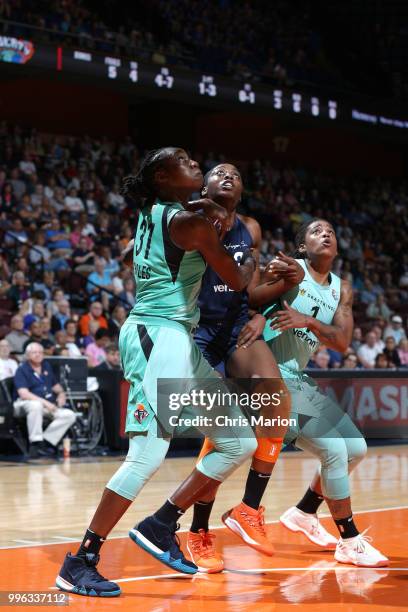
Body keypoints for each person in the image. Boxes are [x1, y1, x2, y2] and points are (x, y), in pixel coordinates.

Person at [56, 147, 258, 597]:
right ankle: (81, 559)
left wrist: (213, 214)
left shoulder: (163, 210)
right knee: (147, 455)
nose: (195, 163)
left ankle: (162, 522)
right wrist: (249, 252)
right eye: (184, 161)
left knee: (239, 440)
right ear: (164, 177)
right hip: (156, 337)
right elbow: (239, 279)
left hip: (178, 339)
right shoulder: (188, 223)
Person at [178, 163, 293, 570]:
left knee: (276, 399)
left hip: (235, 329)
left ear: (242, 190)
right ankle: (197, 531)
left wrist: (284, 289)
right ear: (205, 185)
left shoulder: (251, 228)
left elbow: (251, 288)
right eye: (218, 172)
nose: (228, 176)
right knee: (224, 434)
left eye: (236, 174)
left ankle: (249, 508)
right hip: (194, 329)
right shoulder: (187, 216)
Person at [258, 218, 388, 567]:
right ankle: (349, 539)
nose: (326, 233)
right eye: (316, 231)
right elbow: (250, 296)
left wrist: (309, 322)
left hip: (297, 376)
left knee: (356, 450)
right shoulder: (289, 269)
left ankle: (304, 512)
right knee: (333, 449)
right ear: (302, 247)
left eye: (330, 230)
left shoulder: (342, 288)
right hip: (267, 374)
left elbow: (343, 342)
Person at [13, 342, 76, 458]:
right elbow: (24, 394)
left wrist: (62, 395)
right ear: (28, 355)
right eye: (34, 352)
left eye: (40, 352)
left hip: (45, 406)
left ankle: (46, 442)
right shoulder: (22, 369)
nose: (38, 355)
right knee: (35, 405)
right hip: (22, 405)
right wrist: (46, 403)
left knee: (69, 414)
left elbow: (57, 387)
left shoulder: (46, 366)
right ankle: (35, 442)